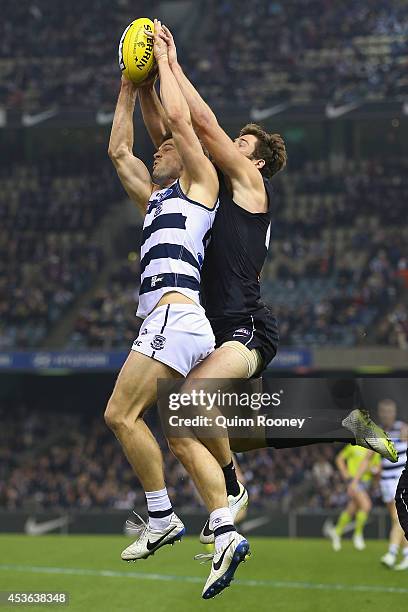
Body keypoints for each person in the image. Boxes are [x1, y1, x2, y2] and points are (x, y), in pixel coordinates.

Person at [104, 22, 229, 574]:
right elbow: (118, 150)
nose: (158, 153)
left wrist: (169, 66)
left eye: (167, 149)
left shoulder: (203, 187)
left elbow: (178, 122)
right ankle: (223, 522)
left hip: (174, 316)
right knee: (178, 434)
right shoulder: (155, 200)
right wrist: (129, 89)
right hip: (170, 321)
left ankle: (161, 517)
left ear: (188, 155)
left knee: (119, 415)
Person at [326, 444, 380, 551]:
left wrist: (373, 470)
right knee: (366, 506)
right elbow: (339, 459)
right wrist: (345, 474)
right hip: (354, 482)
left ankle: (336, 532)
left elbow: (377, 467)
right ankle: (358, 534)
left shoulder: (374, 450)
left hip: (366, 483)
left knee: (352, 508)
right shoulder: (353, 446)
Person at [375, 400, 408, 570]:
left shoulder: (403, 428)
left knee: (398, 519)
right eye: (384, 411)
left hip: (400, 480)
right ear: (380, 413)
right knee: (398, 520)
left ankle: (391, 553)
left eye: (390, 411)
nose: (387, 414)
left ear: (394, 412)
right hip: (386, 481)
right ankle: (407, 555)